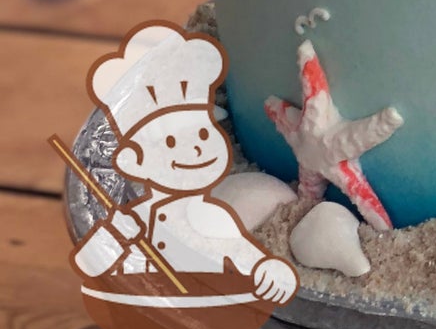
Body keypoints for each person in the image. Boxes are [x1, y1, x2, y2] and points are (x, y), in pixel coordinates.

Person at [71, 24, 297, 304]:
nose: (196, 149)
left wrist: (268, 268)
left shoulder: (216, 215)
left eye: (203, 134)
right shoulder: (136, 215)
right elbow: (89, 258)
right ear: (134, 163)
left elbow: (246, 254)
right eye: (170, 143)